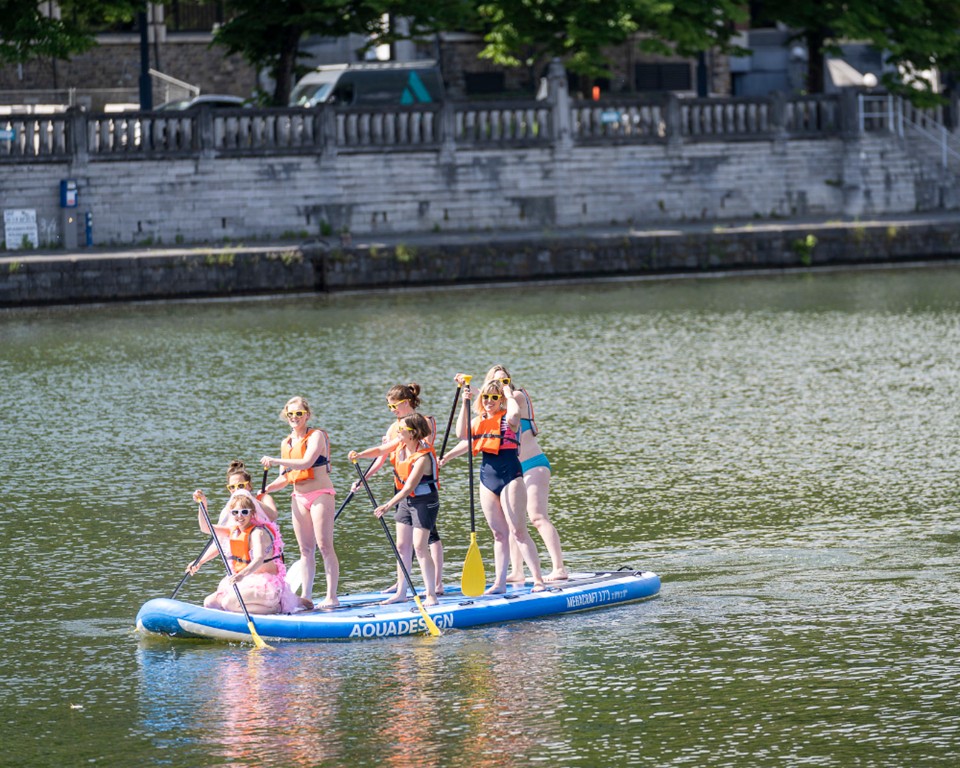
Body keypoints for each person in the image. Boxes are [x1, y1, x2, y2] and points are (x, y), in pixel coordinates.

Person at [440, 376, 545, 594]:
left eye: (494, 398)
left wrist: (507, 393)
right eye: (486, 397)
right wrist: (465, 402)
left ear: (501, 400)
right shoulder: (478, 421)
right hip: (487, 478)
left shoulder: (509, 418)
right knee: (498, 534)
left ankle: (538, 580)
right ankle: (499, 583)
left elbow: (515, 413)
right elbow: (461, 434)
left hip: (511, 476)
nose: (489, 401)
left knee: (518, 531)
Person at [351, 383, 444, 594]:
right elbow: (380, 451)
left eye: (395, 406)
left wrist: (386, 505)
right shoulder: (400, 439)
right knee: (403, 545)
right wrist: (359, 457)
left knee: (423, 543)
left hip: (422, 497)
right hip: (403, 496)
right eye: (389, 407)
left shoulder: (421, 449)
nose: (398, 431)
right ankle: (401, 590)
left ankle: (433, 589)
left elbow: (411, 484)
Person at [483, 365, 568, 582]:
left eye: (505, 381)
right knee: (513, 521)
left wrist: (496, 392)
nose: (502, 385)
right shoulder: (492, 406)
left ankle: (559, 568)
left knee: (537, 517)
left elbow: (510, 407)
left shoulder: (517, 397)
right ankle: (517, 571)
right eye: (497, 382)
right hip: (514, 470)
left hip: (534, 465)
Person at [260, 396, 340, 609]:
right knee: (305, 549)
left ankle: (331, 596)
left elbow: (306, 462)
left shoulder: (316, 436)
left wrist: (275, 460)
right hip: (298, 497)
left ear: (307, 415)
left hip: (320, 494)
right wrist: (265, 490)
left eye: (299, 413)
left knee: (324, 545)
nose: (294, 417)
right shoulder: (286, 442)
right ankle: (306, 596)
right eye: (290, 414)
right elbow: (285, 478)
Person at [186, 492, 311, 614]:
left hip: (266, 585)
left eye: (244, 512)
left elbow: (259, 559)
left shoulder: (258, 533)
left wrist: (241, 575)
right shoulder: (233, 531)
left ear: (252, 513)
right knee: (209, 602)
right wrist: (203, 504)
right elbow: (206, 528)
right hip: (246, 581)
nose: (240, 516)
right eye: (235, 512)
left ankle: (278, 607)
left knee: (229, 603)